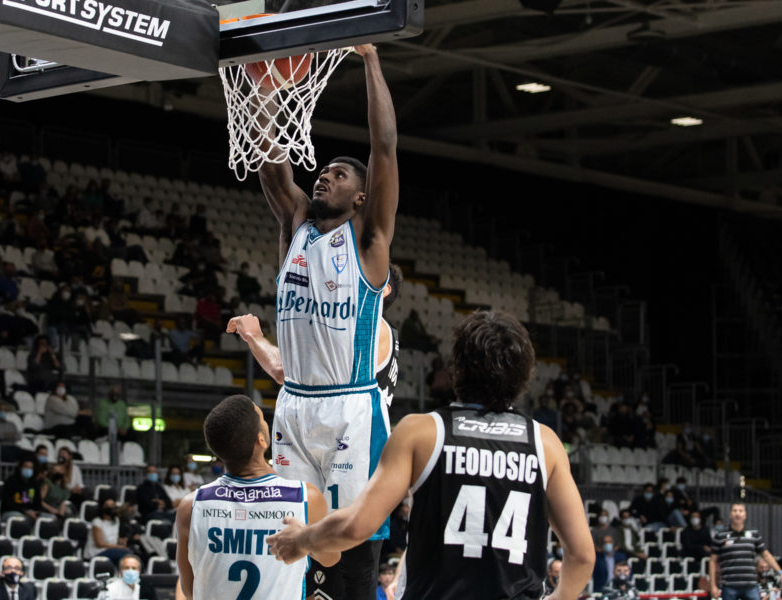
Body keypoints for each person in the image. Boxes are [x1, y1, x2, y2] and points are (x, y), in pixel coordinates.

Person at [266, 311, 597, 600]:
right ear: (525, 374)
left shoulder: (421, 432)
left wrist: (303, 539)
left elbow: (357, 526)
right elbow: (582, 555)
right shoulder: (546, 443)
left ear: (457, 369)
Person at [254, 45, 399, 598]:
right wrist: (266, 92)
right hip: (293, 403)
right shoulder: (297, 224)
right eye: (322, 171)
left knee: (350, 545)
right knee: (294, 541)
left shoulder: (369, 241)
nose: (324, 177)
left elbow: (383, 146)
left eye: (338, 175)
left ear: (361, 196)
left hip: (349, 410)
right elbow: (272, 166)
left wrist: (370, 62)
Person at [175, 395, 339, 599]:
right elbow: (331, 558)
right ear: (261, 440)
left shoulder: (191, 506)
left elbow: (190, 590)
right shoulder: (306, 497)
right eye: (262, 419)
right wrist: (306, 538)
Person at [227, 263, 403, 406]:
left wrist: (254, 335)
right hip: (363, 440)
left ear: (383, 290)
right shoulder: (385, 331)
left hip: (349, 442)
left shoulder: (362, 327)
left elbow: (283, 371)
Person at [710, 503, 782, 600]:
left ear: (745, 515)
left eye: (740, 511)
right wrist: (712, 585)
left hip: (750, 585)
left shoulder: (754, 534)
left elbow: (766, 554)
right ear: (730, 514)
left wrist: (780, 572)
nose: (737, 513)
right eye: (735, 510)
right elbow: (712, 561)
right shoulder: (720, 536)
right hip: (729, 585)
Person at [84, 498, 131, 565]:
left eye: (112, 505)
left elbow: (113, 538)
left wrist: (121, 541)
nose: (111, 507)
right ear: (103, 508)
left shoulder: (116, 520)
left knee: (128, 556)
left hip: (112, 550)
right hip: (97, 552)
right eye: (108, 505)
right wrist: (118, 547)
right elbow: (99, 544)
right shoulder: (97, 521)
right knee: (126, 554)